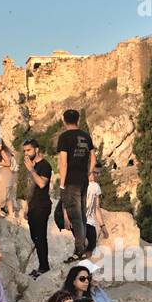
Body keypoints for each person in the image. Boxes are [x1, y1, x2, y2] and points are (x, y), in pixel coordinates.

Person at [56, 109, 95, 261]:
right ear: (78, 120)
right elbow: (93, 158)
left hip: (71, 181)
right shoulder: (86, 136)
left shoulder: (64, 137)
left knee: (75, 216)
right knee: (82, 215)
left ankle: (79, 250)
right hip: (83, 180)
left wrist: (61, 184)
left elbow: (63, 163)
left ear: (64, 121)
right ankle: (82, 247)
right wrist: (88, 172)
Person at [23, 139, 52, 278]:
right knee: (34, 236)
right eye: (24, 151)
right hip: (33, 206)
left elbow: (41, 183)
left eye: (28, 150)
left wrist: (31, 170)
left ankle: (44, 267)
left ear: (37, 149)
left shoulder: (45, 165)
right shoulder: (31, 166)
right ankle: (42, 265)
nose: (26, 153)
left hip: (42, 205)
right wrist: (26, 206)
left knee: (40, 237)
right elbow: (30, 188)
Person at [84, 168, 106, 254]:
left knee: (92, 245)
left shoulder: (95, 186)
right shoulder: (79, 184)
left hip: (89, 221)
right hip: (79, 220)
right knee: (86, 243)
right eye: (94, 173)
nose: (96, 175)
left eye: (98, 173)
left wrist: (102, 226)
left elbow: (97, 207)